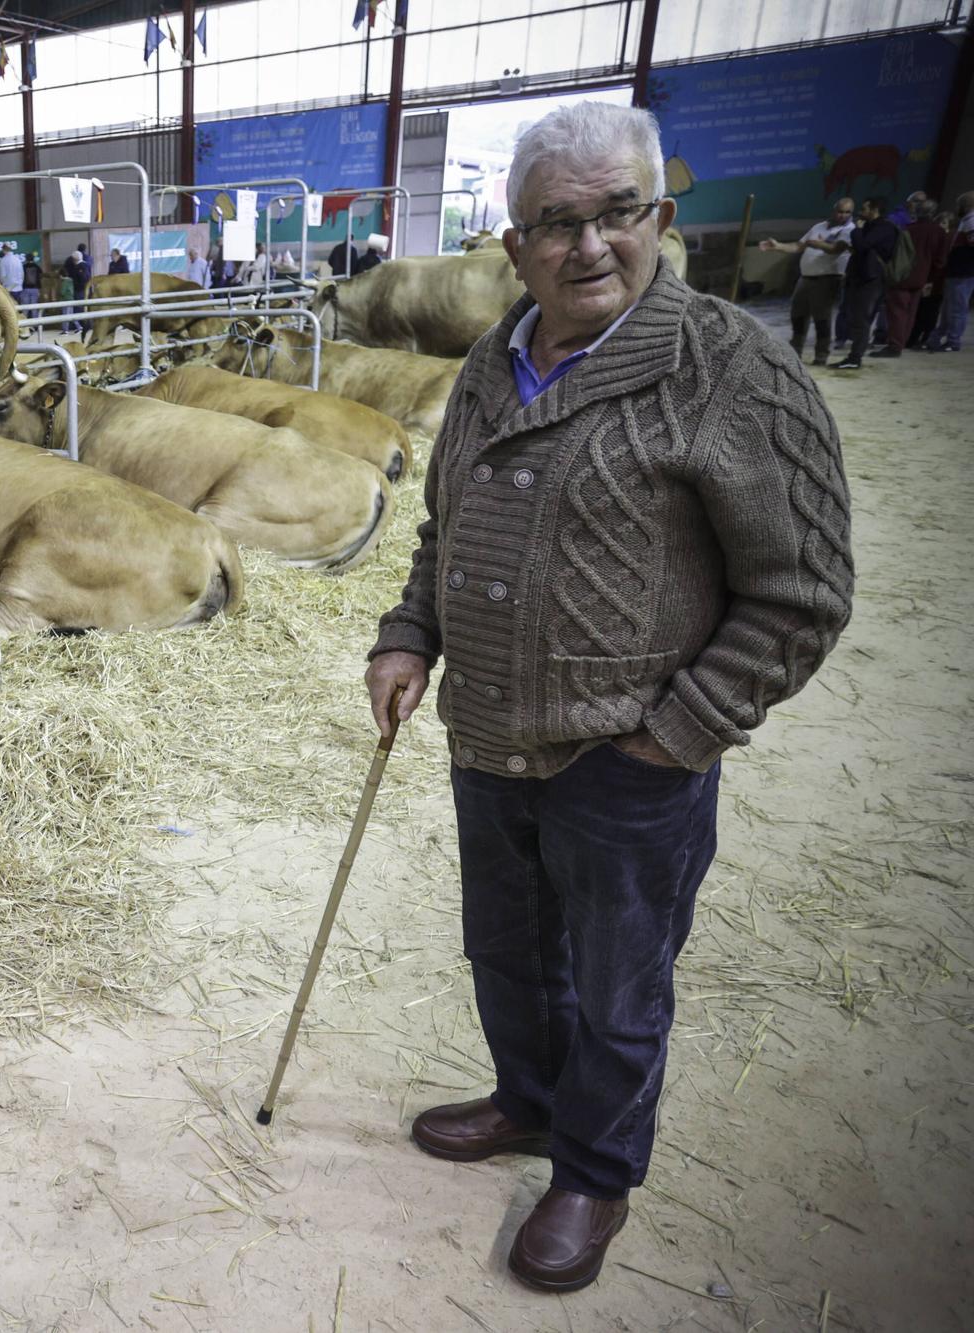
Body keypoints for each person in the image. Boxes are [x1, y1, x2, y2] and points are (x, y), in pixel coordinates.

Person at [366, 101, 851, 1295]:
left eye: (615, 214)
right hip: (486, 736)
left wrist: (672, 735)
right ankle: (527, 1105)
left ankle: (592, 1170)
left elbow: (801, 594)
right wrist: (407, 632)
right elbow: (447, 526)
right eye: (557, 223)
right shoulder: (492, 358)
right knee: (508, 953)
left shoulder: (731, 372)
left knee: (620, 983)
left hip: (627, 762)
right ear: (514, 244)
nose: (589, 245)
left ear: (659, 220)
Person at [759, 196, 853, 365]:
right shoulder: (819, 226)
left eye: (847, 212)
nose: (843, 215)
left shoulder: (849, 230)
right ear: (834, 210)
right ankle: (795, 354)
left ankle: (821, 356)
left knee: (821, 319)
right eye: (840, 211)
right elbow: (798, 246)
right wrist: (778, 246)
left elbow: (835, 249)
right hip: (805, 278)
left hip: (827, 279)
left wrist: (817, 244)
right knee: (798, 316)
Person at [831, 197, 899, 369]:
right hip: (859, 277)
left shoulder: (885, 228)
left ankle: (855, 358)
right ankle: (853, 356)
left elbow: (862, 246)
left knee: (861, 319)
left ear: (874, 209)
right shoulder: (870, 226)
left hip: (871, 280)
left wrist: (857, 230)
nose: (861, 211)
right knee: (854, 317)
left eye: (864, 208)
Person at [881, 197, 949, 357]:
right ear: (934, 213)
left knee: (897, 312)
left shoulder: (908, 230)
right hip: (923, 278)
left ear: (916, 212)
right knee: (911, 312)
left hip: (902, 276)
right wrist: (931, 279)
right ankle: (901, 343)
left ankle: (894, 346)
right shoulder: (939, 232)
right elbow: (940, 260)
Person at [926, 190, 974, 352]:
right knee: (949, 308)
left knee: (957, 309)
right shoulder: (966, 220)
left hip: (963, 272)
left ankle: (953, 341)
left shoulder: (972, 221)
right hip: (957, 272)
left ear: (966, 205)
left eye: (959, 204)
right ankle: (938, 337)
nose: (956, 207)